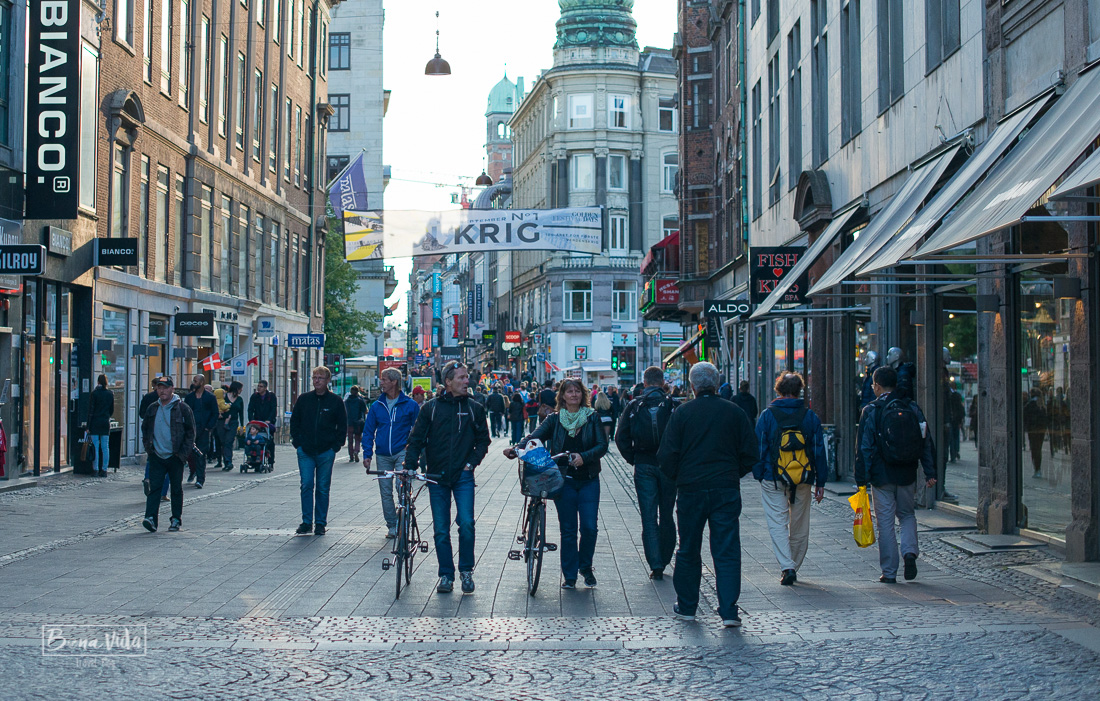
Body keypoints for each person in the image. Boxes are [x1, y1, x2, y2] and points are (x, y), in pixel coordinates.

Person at [658, 362, 756, 627]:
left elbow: (666, 455)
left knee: (688, 547)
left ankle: (687, 605)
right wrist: (733, 472)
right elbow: (750, 453)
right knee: (726, 548)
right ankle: (729, 610)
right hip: (725, 487)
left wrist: (680, 476)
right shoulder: (734, 412)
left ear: (692, 386)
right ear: (717, 384)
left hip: (691, 489)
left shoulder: (682, 413)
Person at [505, 378, 609, 589]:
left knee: (590, 528)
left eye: (577, 391)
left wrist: (584, 457)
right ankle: (569, 575)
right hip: (564, 480)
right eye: (569, 391)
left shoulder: (592, 418)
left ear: (583, 395)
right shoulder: (554, 419)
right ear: (562, 396)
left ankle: (585, 566)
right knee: (568, 529)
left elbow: (602, 445)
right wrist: (517, 448)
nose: (574, 395)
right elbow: (535, 437)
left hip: (589, 480)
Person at [403, 361, 491, 594]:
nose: (466, 381)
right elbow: (416, 440)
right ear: (448, 381)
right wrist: (410, 466)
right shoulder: (430, 408)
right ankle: (445, 575)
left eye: (466, 377)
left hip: (463, 475)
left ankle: (466, 571)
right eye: (461, 377)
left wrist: (471, 463)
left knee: (467, 523)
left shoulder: (474, 408)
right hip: (437, 475)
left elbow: (484, 440)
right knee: (441, 529)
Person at [855, 366, 936, 583]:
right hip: (907, 472)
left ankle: (889, 572)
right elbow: (925, 440)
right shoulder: (912, 407)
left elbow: (864, 447)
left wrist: (861, 478)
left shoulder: (871, 410)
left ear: (877, 386)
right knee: (907, 515)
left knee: (885, 523)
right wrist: (930, 471)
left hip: (881, 476)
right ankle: (909, 552)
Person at [754, 373, 827, 586]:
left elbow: (759, 448)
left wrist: (760, 474)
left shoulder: (767, 415)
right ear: (799, 390)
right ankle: (793, 564)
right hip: (803, 477)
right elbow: (818, 451)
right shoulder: (810, 416)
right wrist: (820, 481)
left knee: (777, 523)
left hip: (773, 477)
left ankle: (787, 567)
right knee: (800, 525)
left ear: (778, 389)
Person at [616, 366, 678, 580]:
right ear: (662, 383)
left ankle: (656, 564)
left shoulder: (634, 405)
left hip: (644, 464)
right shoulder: (672, 405)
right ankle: (666, 556)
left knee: (649, 516)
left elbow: (621, 437)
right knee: (667, 513)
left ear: (644, 383)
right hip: (668, 466)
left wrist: (633, 458)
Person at [362, 368, 420, 539]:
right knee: (385, 492)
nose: (381, 383)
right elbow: (368, 430)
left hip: (402, 452)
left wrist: (415, 452)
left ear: (394, 382)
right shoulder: (376, 406)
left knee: (401, 487)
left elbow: (418, 430)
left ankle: (404, 519)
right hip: (382, 454)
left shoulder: (410, 405)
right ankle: (392, 525)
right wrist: (367, 454)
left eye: (384, 379)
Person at [289, 366, 347, 536]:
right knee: (306, 485)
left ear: (327, 380)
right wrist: (297, 442)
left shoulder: (335, 401)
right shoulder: (304, 399)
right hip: (306, 450)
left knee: (322, 487)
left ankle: (320, 523)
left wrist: (336, 445)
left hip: (325, 451)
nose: (317, 381)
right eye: (314, 377)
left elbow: (342, 425)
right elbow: (295, 421)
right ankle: (307, 521)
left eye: (320, 378)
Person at [141, 377, 196, 533]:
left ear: (172, 389)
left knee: (176, 489)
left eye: (165, 388)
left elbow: (191, 433)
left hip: (175, 455)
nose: (162, 391)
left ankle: (176, 519)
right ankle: (150, 518)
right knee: (154, 488)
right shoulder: (153, 408)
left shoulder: (182, 408)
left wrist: (183, 454)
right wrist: (149, 448)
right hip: (157, 455)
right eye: (159, 388)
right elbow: (145, 429)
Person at [183, 375, 218, 488]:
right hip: (191, 430)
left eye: (196, 381)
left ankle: (200, 479)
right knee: (190, 454)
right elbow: (185, 412)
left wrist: (208, 427)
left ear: (202, 382)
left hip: (203, 430)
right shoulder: (190, 397)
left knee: (201, 455)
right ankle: (193, 471)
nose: (193, 383)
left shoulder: (210, 397)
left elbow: (215, 413)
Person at [139, 377, 171, 501]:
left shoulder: (148, 397)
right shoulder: (171, 402)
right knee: (167, 466)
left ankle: (148, 479)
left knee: (151, 460)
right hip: (165, 439)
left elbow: (141, 414)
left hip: (152, 437)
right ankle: (163, 493)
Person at [88, 374, 115, 477]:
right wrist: (106, 416)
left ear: (98, 382)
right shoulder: (110, 394)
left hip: (95, 422)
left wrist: (88, 426)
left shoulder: (94, 393)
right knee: (105, 447)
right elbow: (111, 410)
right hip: (105, 422)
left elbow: (91, 410)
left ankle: (95, 469)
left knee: (95, 446)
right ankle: (104, 469)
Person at [248, 379, 279, 467]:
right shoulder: (254, 396)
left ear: (265, 388)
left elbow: (273, 409)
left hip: (268, 422)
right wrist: (251, 420)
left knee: (269, 441)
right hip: (257, 421)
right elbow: (250, 409)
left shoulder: (271, 396)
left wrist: (269, 419)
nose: (259, 388)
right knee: (254, 439)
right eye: (258, 386)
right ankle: (254, 459)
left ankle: (271, 460)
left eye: (261, 386)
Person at [219, 381, 244, 471]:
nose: (241, 390)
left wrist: (242, 426)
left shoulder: (239, 399)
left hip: (233, 422)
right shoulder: (224, 396)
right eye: (240, 389)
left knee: (229, 441)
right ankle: (225, 461)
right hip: (221, 421)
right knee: (223, 441)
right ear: (236, 388)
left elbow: (241, 413)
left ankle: (228, 461)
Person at [1022, 388, 1047, 477]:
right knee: (1038, 449)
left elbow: (1024, 417)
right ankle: (1038, 468)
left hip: (1032, 430)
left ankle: (1037, 468)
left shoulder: (1030, 405)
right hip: (1041, 430)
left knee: (1034, 449)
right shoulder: (1042, 405)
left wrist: (1026, 427)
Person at [344, 386, 368, 462]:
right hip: (358, 422)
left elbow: (344, 412)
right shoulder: (360, 401)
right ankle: (356, 451)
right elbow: (365, 411)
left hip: (349, 423)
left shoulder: (346, 401)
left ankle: (351, 457)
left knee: (350, 440)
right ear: (357, 392)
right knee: (358, 438)